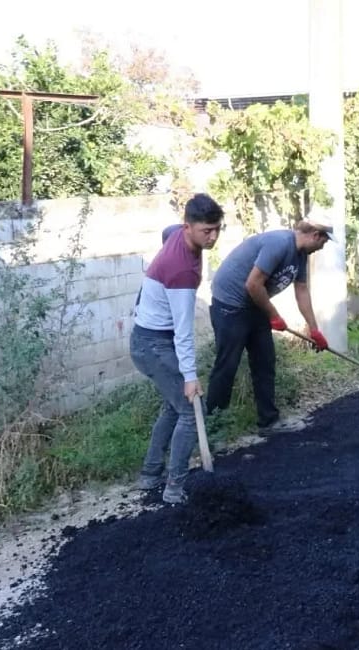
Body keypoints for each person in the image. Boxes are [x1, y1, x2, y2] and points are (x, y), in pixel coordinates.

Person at [131, 193, 224, 504]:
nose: (212, 237)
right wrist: (190, 377)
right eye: (206, 231)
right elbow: (184, 332)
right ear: (188, 227)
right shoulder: (181, 270)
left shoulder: (177, 234)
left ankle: (150, 473)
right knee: (191, 408)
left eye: (217, 229)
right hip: (153, 344)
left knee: (174, 407)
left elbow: (166, 231)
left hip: (149, 339)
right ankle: (174, 489)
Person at [206, 217, 335, 429]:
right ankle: (214, 426)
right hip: (230, 305)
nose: (323, 246)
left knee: (265, 362)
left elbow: (302, 290)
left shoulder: (301, 255)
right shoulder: (279, 244)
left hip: (256, 304)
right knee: (227, 365)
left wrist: (314, 330)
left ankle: (268, 421)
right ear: (315, 235)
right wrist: (274, 315)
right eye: (324, 241)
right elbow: (253, 284)